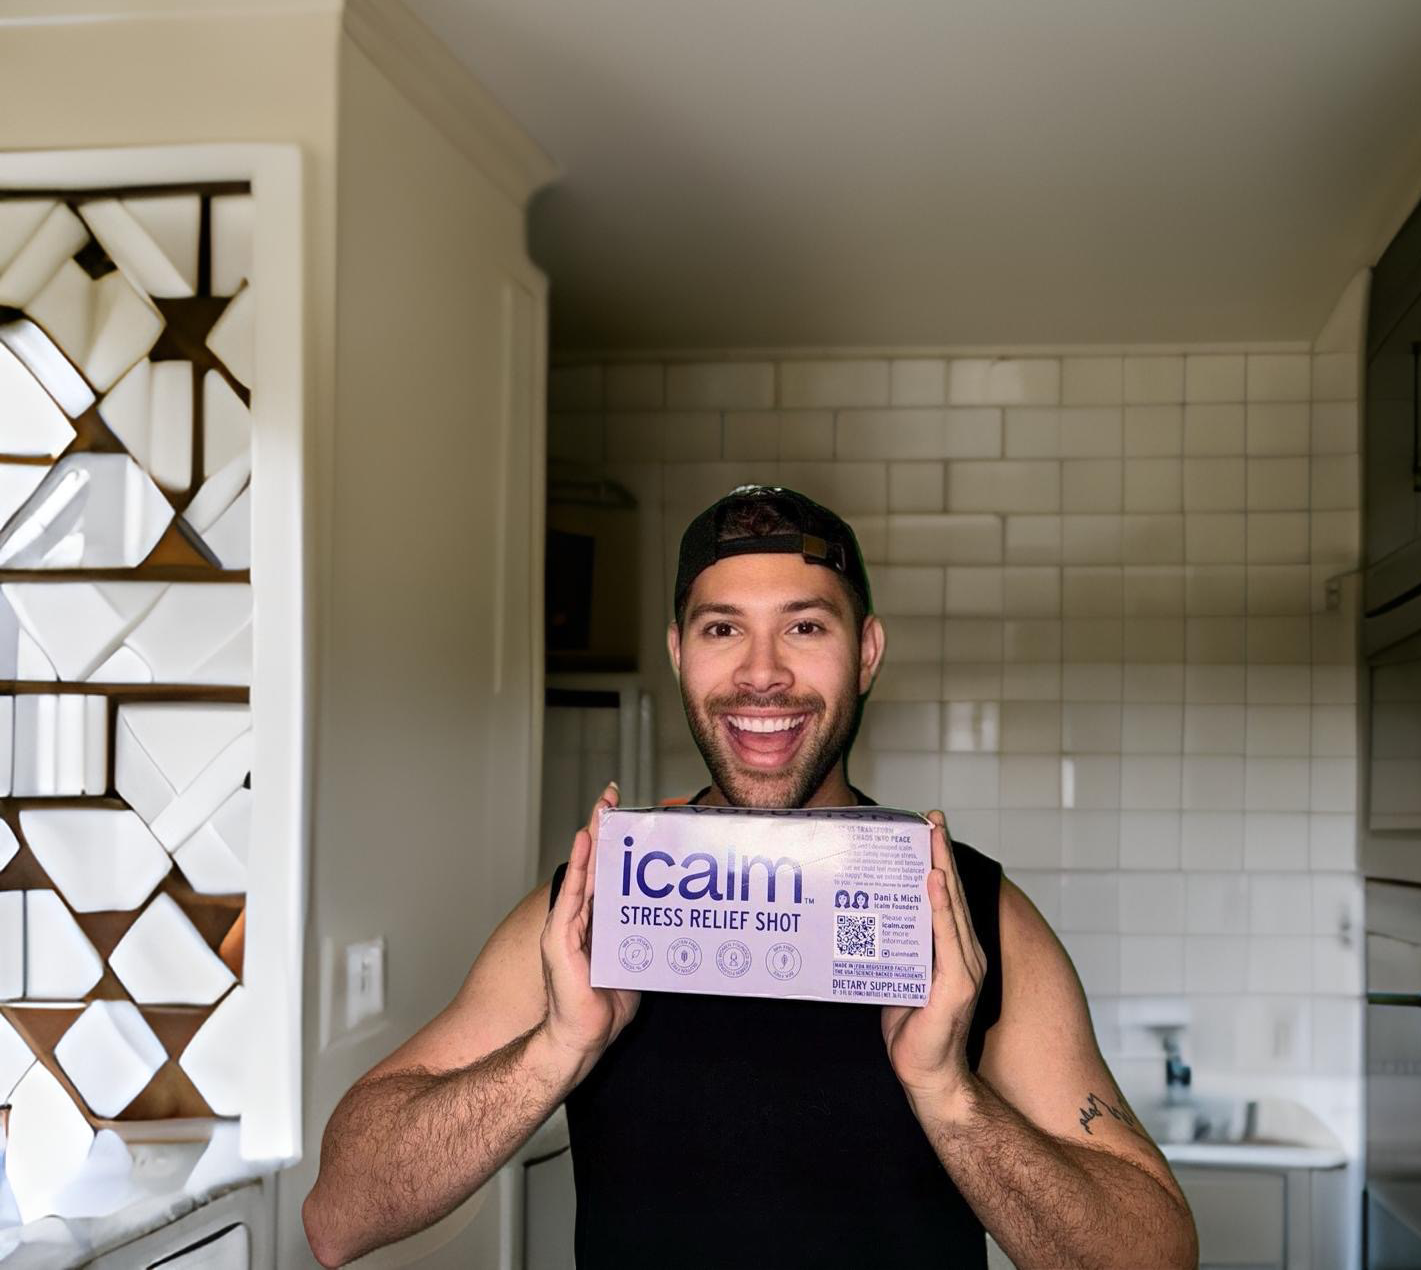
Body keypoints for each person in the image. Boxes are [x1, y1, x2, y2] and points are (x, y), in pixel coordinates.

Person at [302, 486, 1198, 1270]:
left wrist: (948, 1094)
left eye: (805, 626)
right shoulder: (603, 902)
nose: (762, 674)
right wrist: (556, 1051)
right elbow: (338, 1218)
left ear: (869, 650)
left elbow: (1154, 1255)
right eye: (723, 629)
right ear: (679, 653)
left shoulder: (966, 910)